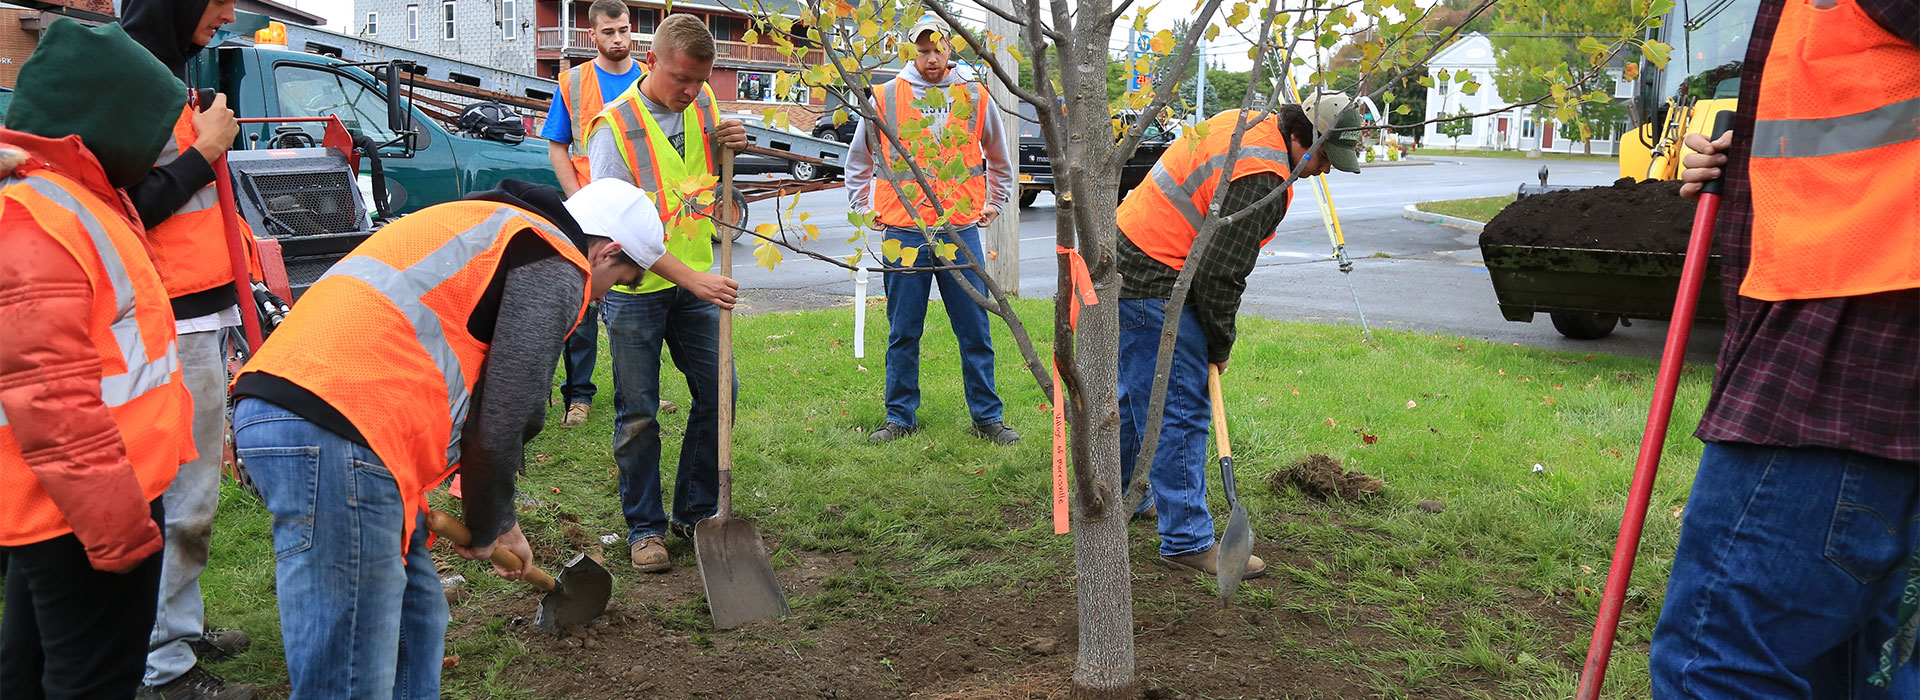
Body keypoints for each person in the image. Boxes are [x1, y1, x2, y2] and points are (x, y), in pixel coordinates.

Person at [228, 178, 665, 697]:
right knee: (350, 671)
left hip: (295, 412)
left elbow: (472, 396)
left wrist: (498, 521)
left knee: (417, 619)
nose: (602, 296)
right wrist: (491, 522)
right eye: (618, 280)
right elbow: (509, 410)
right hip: (341, 430)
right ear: (606, 251)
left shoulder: (484, 224)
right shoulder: (555, 258)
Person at [1649, 0, 1920, 695]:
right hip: (1854, 336)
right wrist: (1743, 152)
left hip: (1847, 353)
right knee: (1848, 675)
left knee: (1718, 666)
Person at [0, 17, 197, 699]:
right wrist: (117, 531)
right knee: (95, 680)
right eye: (153, 132)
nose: (159, 152)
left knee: (31, 668)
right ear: (106, 123)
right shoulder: (38, 219)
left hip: (69, 502)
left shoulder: (70, 201)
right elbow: (49, 395)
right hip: (87, 512)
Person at [1114, 96, 1361, 577]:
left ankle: (1127, 493)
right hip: (1157, 273)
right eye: (1327, 159)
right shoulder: (1263, 176)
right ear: (1304, 139)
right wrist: (1218, 343)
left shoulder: (1253, 123)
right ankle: (1186, 538)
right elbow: (1220, 275)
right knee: (1178, 407)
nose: (1326, 172)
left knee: (1140, 396)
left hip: (1131, 256)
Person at [118, 0, 260, 697]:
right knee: (183, 498)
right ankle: (163, 665)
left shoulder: (168, 80)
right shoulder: (132, 84)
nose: (229, 16)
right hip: (168, 325)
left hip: (198, 315)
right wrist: (204, 154)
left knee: (186, 495)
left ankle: (174, 626)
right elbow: (125, 207)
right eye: (218, 1)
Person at [584, 12, 747, 573]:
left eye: (700, 81)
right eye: (680, 78)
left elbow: (717, 195)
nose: (690, 91)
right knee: (638, 413)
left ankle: (695, 512)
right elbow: (615, 230)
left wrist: (734, 154)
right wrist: (692, 278)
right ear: (651, 62)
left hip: (697, 279)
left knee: (719, 393)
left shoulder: (704, 107)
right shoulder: (614, 128)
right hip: (636, 292)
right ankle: (645, 529)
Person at [845, 15, 1019, 446]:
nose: (931, 58)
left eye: (938, 48)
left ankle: (988, 418)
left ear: (950, 49)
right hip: (903, 231)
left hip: (960, 230)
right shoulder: (884, 96)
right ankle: (899, 418)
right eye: (923, 50)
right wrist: (865, 208)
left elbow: (998, 157)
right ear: (911, 52)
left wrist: (994, 203)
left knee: (975, 328)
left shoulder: (975, 95)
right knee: (903, 330)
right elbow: (858, 162)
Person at [542, 0, 676, 428]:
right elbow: (558, 147)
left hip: (639, 213)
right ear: (592, 34)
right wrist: (582, 205)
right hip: (590, 215)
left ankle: (641, 393)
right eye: (608, 32)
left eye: (623, 31)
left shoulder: (651, 78)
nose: (618, 39)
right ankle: (578, 396)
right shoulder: (573, 82)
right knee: (584, 302)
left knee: (636, 307)